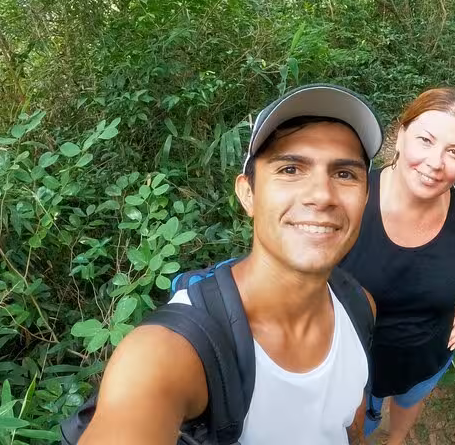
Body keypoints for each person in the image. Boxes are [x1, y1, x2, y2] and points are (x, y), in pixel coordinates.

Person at [78, 84, 383, 445]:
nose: (321, 195)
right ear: (248, 194)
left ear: (365, 197)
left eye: (345, 174)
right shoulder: (172, 351)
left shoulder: (359, 304)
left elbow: (349, 423)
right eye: (290, 169)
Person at [340, 87, 455, 444]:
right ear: (401, 134)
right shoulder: (351, 198)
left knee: (409, 404)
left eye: (454, 152)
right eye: (425, 140)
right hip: (353, 370)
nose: (436, 162)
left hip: (426, 357)